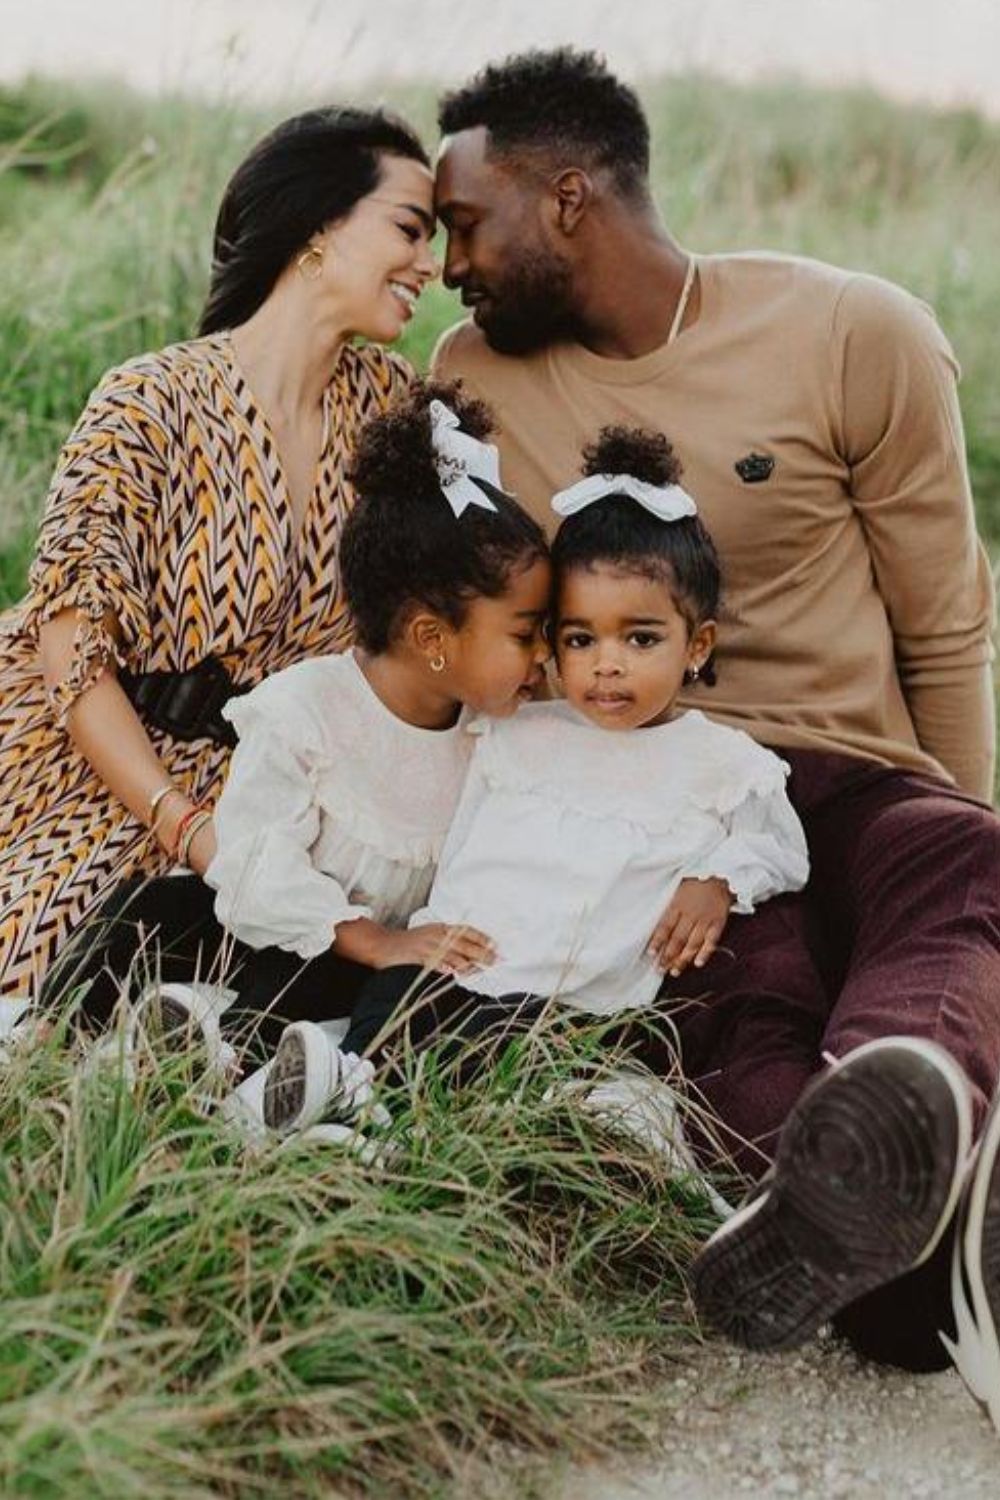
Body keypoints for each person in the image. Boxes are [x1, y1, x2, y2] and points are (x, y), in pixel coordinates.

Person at [427, 46, 1000, 1399]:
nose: (449, 265)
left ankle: (892, 1147)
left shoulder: (857, 331)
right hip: (664, 806)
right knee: (739, 1009)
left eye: (464, 223)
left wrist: (968, 808)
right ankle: (897, 1241)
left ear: (568, 197)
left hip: (856, 777)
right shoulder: (473, 384)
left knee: (969, 867)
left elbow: (947, 621)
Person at [0, 104, 438, 1001]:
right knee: (45, 985)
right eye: (408, 229)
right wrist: (191, 830)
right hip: (102, 766)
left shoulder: (396, 414)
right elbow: (73, 664)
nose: (428, 265)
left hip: (282, 790)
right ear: (319, 226)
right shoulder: (149, 401)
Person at [260, 425, 808, 1136]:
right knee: (394, 1003)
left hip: (566, 1004)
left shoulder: (724, 763)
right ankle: (332, 1096)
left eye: (639, 639)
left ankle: (352, 1109)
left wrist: (719, 881)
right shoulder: (517, 727)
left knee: (492, 1062)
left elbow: (781, 847)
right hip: (451, 966)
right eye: (580, 639)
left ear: (696, 645)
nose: (606, 664)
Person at [42, 381, 551, 1075]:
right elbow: (253, 869)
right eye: (526, 635)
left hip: (382, 966)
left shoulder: (495, 737)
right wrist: (365, 936)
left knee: (411, 995)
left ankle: (267, 1068)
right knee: (149, 910)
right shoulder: (304, 710)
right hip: (274, 929)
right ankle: (64, 1035)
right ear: (432, 636)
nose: (545, 655)